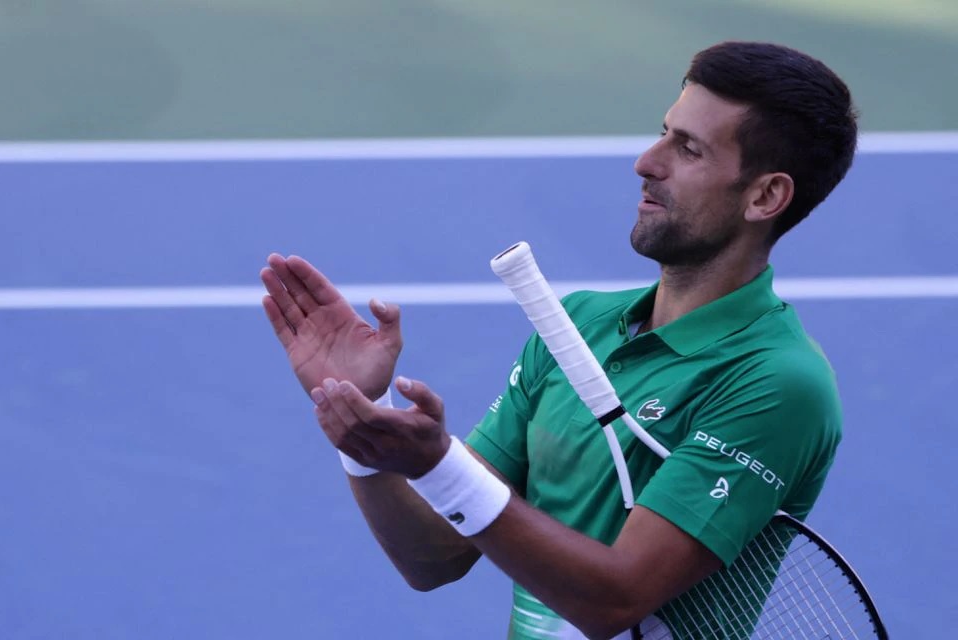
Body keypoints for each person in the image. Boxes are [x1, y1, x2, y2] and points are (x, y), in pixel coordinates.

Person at [260, 41, 858, 640]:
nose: (647, 162)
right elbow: (432, 556)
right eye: (663, 132)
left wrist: (437, 462)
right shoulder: (576, 328)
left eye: (689, 149)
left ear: (764, 197)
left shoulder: (777, 382)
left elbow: (614, 599)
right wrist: (363, 422)